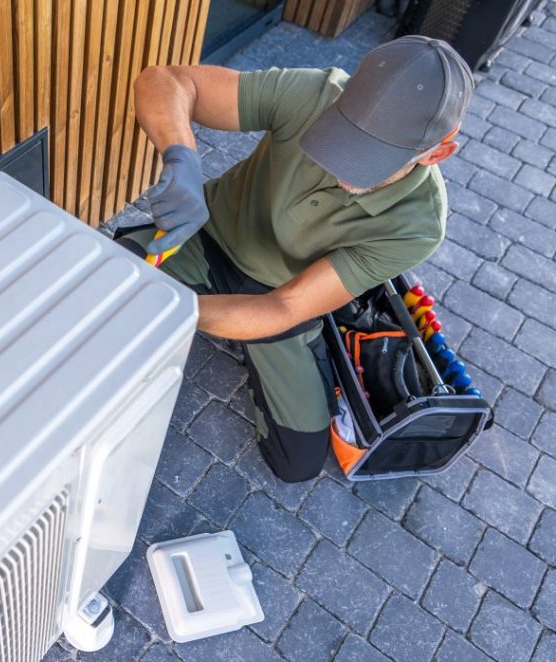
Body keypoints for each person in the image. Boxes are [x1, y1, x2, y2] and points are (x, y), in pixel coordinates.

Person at [121, 36, 473, 482]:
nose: (345, 165)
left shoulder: (417, 226)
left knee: (298, 461)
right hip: (205, 238)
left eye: (374, 157)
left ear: (438, 152)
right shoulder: (314, 93)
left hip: (284, 297)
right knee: (98, 291)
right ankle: (216, 317)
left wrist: (174, 314)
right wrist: (181, 158)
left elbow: (284, 308)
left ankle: (253, 342)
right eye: (346, 135)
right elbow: (167, 81)